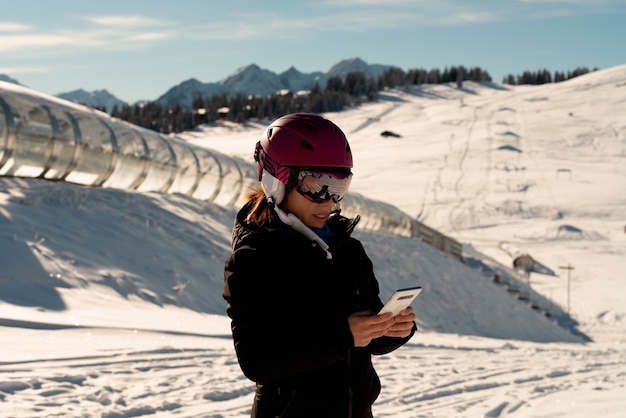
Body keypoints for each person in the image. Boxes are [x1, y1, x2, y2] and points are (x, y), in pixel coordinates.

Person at [223, 113, 417, 418]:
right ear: (277, 181)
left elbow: (364, 339)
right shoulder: (253, 260)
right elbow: (257, 361)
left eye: (339, 187)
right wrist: (344, 335)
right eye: (316, 186)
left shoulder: (349, 252)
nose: (328, 201)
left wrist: (391, 329)